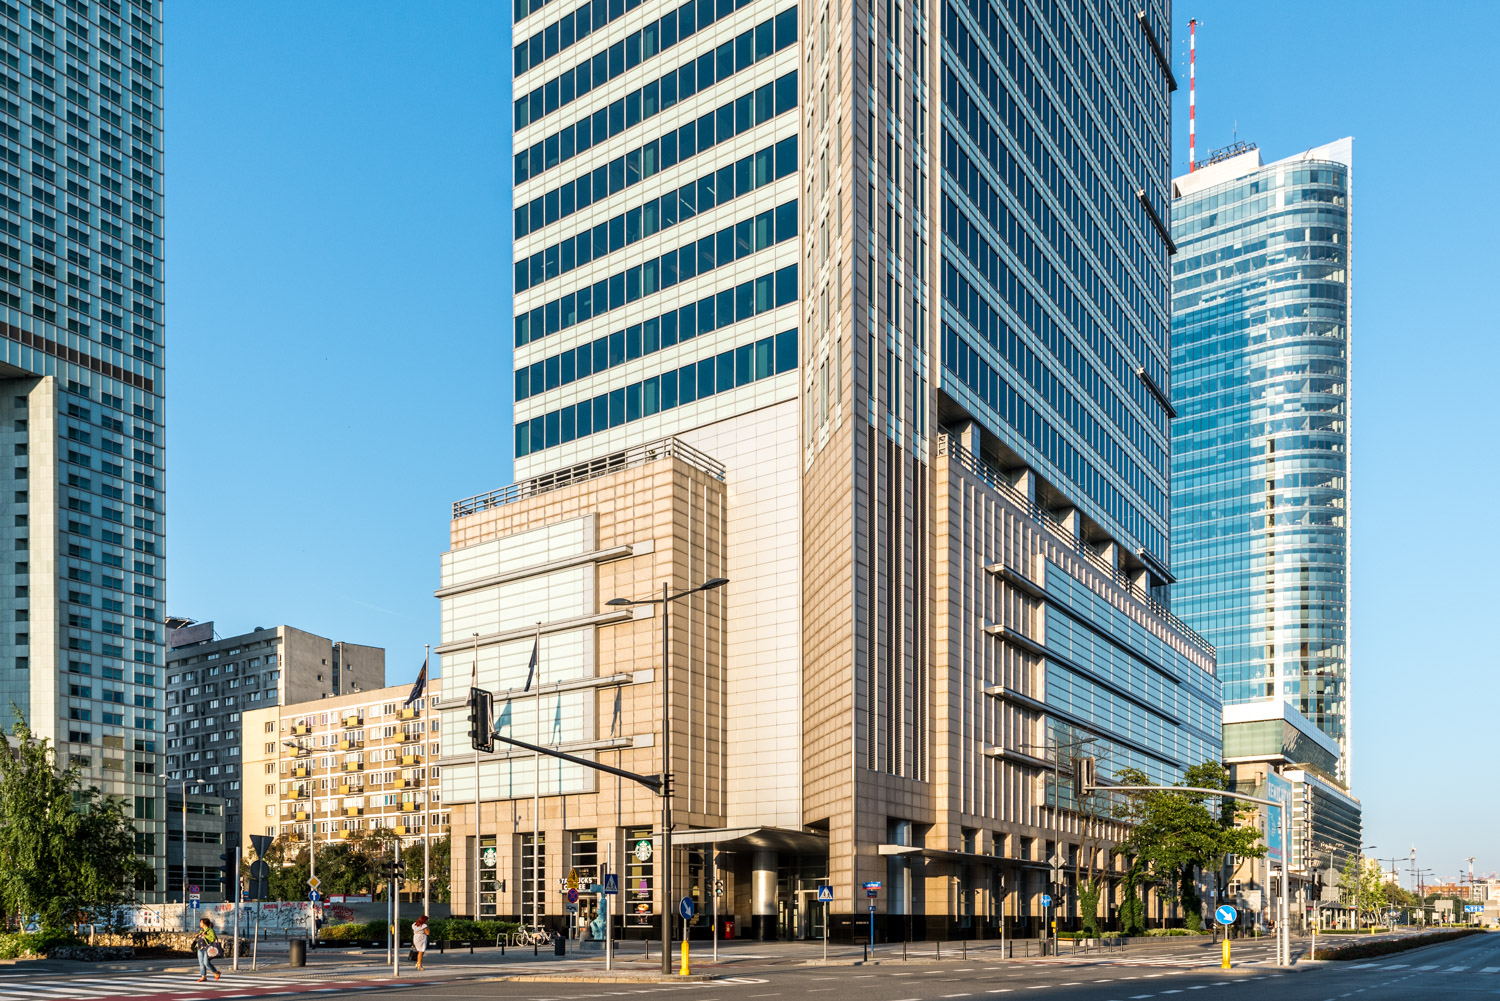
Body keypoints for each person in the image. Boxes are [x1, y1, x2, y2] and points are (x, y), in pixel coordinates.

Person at [193, 917, 221, 982]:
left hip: (207, 948)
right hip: (199, 948)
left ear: (204, 923)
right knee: (201, 963)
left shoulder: (210, 930)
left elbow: (213, 938)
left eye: (201, 922)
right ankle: (203, 976)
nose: (200, 924)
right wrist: (197, 936)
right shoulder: (201, 931)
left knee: (206, 963)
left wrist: (205, 936)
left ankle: (216, 972)